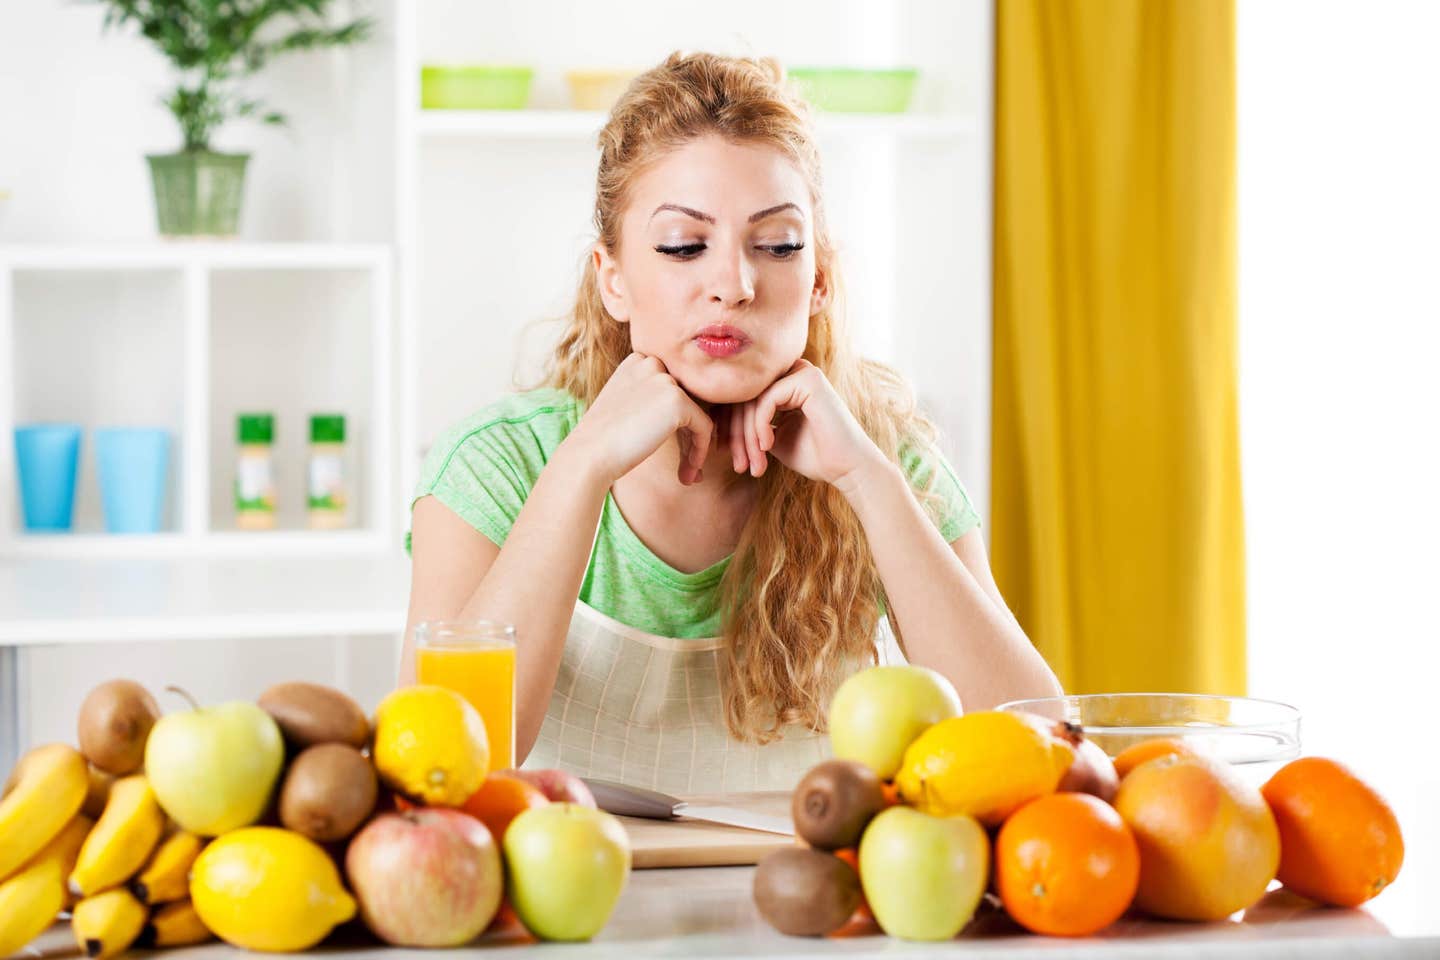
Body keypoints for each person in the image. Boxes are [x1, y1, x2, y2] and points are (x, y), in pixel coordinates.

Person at [402, 52, 1062, 793]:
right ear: (613, 278)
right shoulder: (495, 466)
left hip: (817, 907)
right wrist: (583, 467)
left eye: (777, 246)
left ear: (818, 281)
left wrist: (867, 481)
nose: (734, 285)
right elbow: (437, 772)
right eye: (685, 246)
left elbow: (1036, 748)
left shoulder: (886, 462)